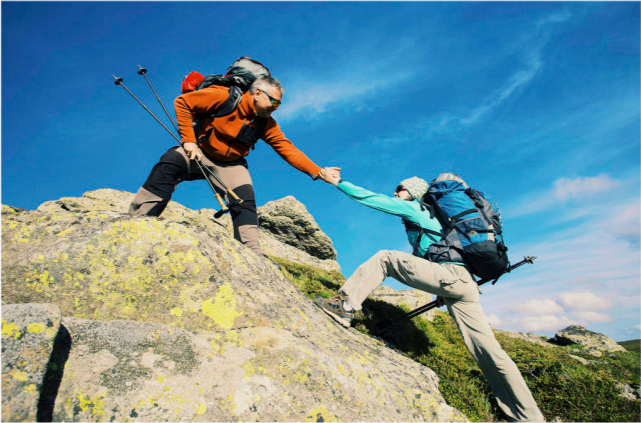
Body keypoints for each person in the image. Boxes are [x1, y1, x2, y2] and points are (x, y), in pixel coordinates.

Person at [314, 169, 546, 423]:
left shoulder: (415, 209)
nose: (395, 192)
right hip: (464, 284)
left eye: (400, 188)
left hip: (451, 278)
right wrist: (441, 289)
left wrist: (338, 183)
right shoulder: (442, 220)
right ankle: (528, 417)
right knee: (489, 352)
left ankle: (345, 306)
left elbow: (372, 199)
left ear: (413, 193)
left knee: (385, 258)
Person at [129, 75, 337, 255]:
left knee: (244, 200)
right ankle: (137, 220)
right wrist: (189, 141)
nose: (275, 108)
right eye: (273, 101)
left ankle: (252, 252)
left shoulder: (266, 123)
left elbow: (286, 149)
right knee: (168, 165)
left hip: (231, 165)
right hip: (198, 151)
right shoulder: (223, 97)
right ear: (257, 93)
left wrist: (318, 172)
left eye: (278, 104)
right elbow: (183, 102)